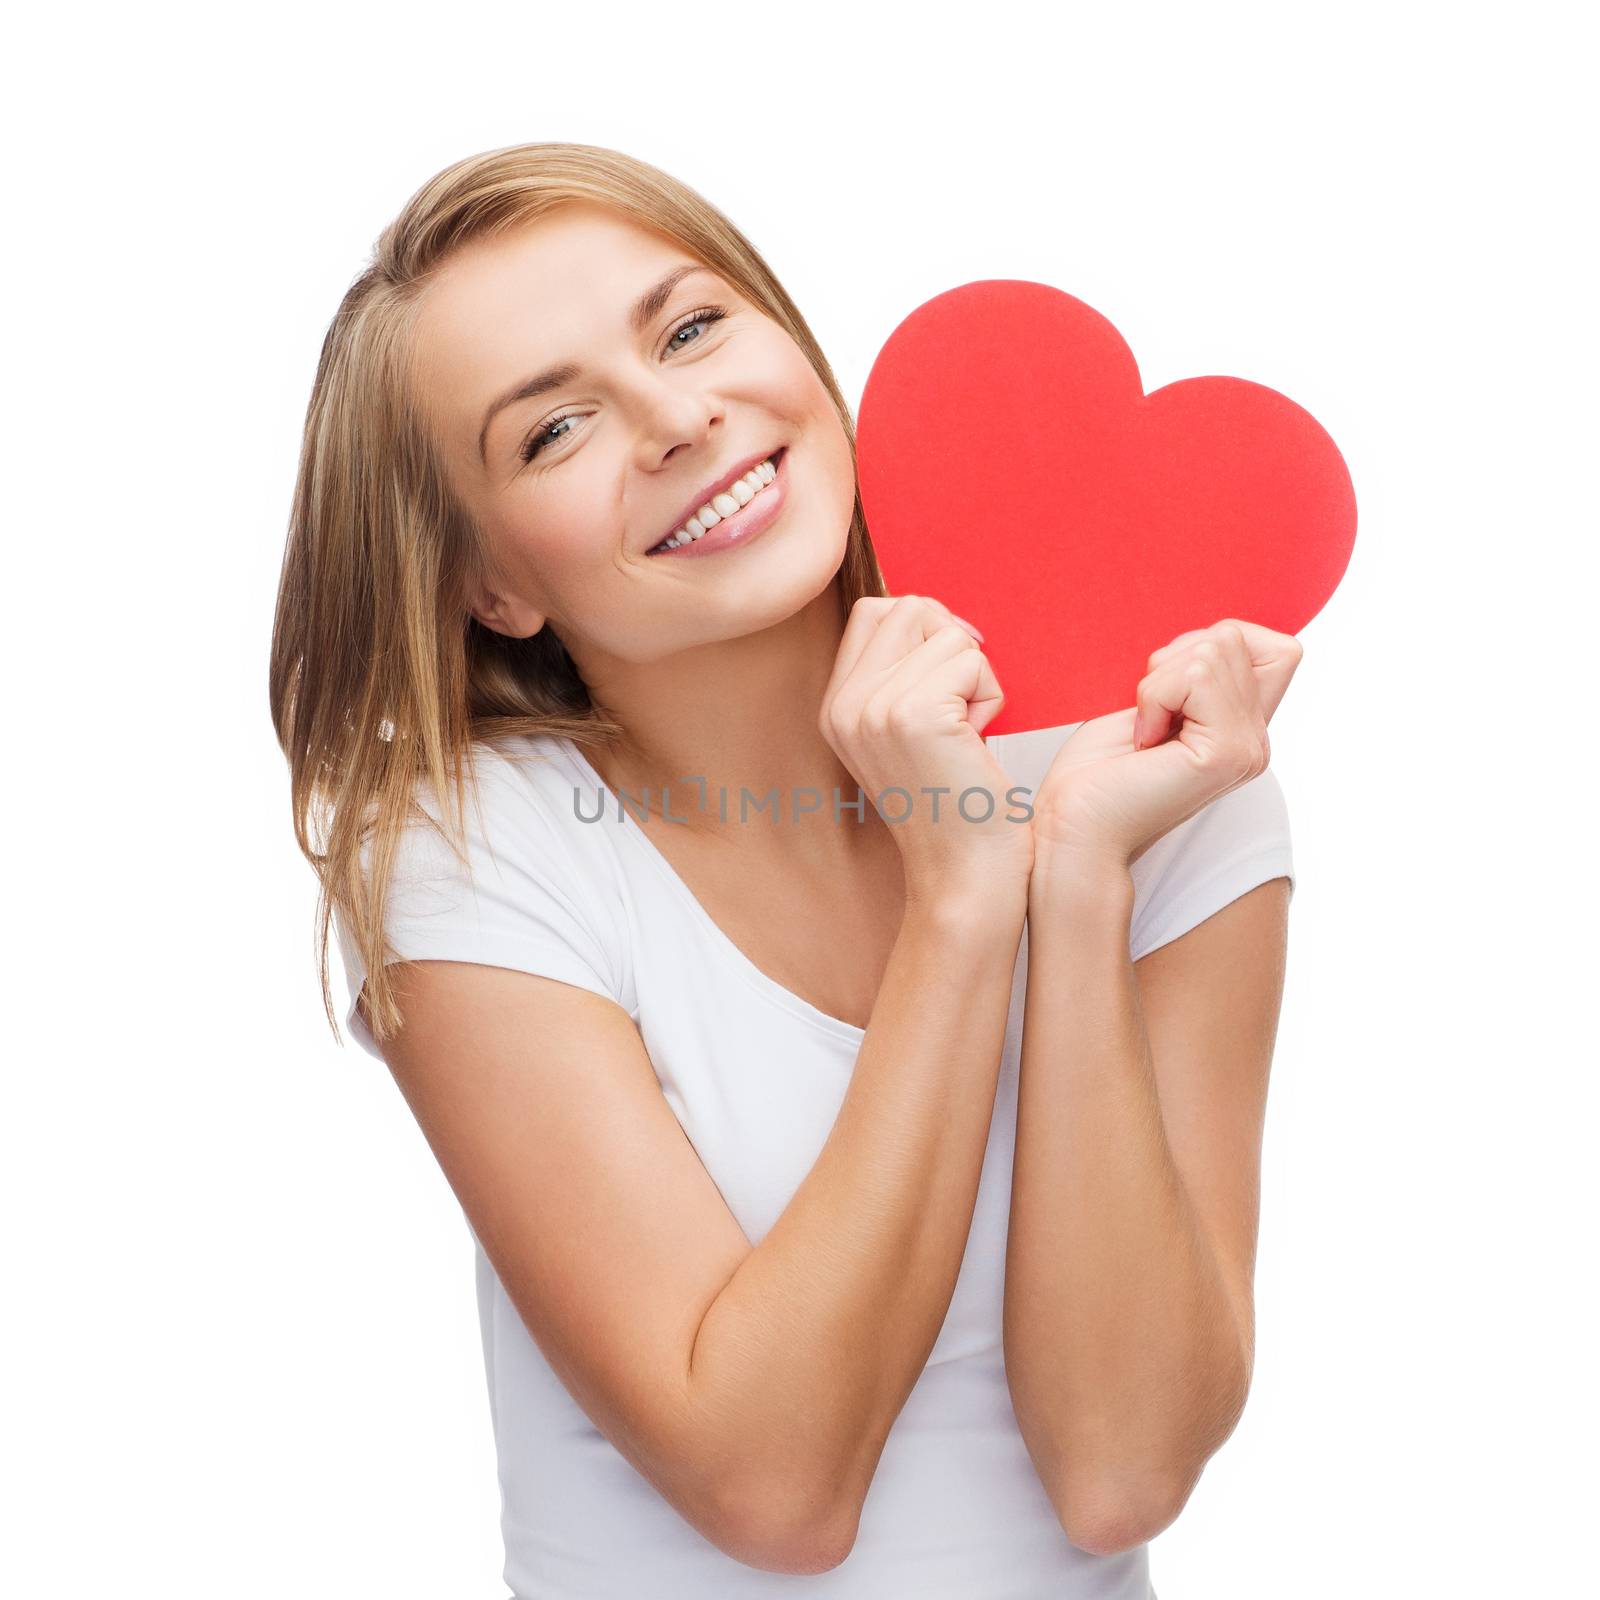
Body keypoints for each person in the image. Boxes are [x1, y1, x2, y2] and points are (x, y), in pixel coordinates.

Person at [269, 141, 1300, 1600]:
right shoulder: (471, 851)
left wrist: (1071, 882)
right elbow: (774, 1487)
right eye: (554, 431)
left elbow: (1122, 1470)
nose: (682, 419)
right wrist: (961, 898)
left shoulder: (1150, 760)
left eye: (691, 328)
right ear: (491, 584)